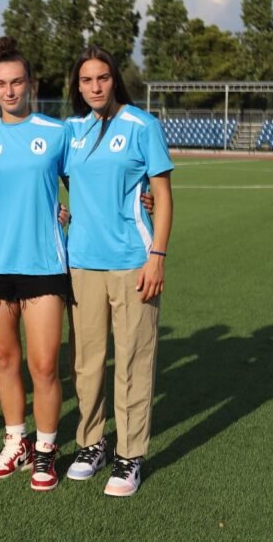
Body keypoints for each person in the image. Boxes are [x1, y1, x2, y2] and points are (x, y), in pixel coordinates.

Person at [0, 37, 72, 492]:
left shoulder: (58, 133)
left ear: (31, 84)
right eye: (1, 84)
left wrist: (132, 201)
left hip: (44, 264)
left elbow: (85, 186)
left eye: (17, 82)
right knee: (6, 362)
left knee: (44, 366)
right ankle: (16, 442)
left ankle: (46, 449)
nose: (9, 91)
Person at [63, 45, 174, 497]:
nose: (95, 87)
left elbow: (162, 195)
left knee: (132, 360)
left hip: (133, 261)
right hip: (81, 262)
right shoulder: (71, 130)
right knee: (86, 363)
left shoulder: (142, 126)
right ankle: (92, 444)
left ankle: (130, 456)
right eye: (86, 80)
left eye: (103, 78)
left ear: (115, 80)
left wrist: (157, 255)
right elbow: (42, 166)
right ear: (77, 86)